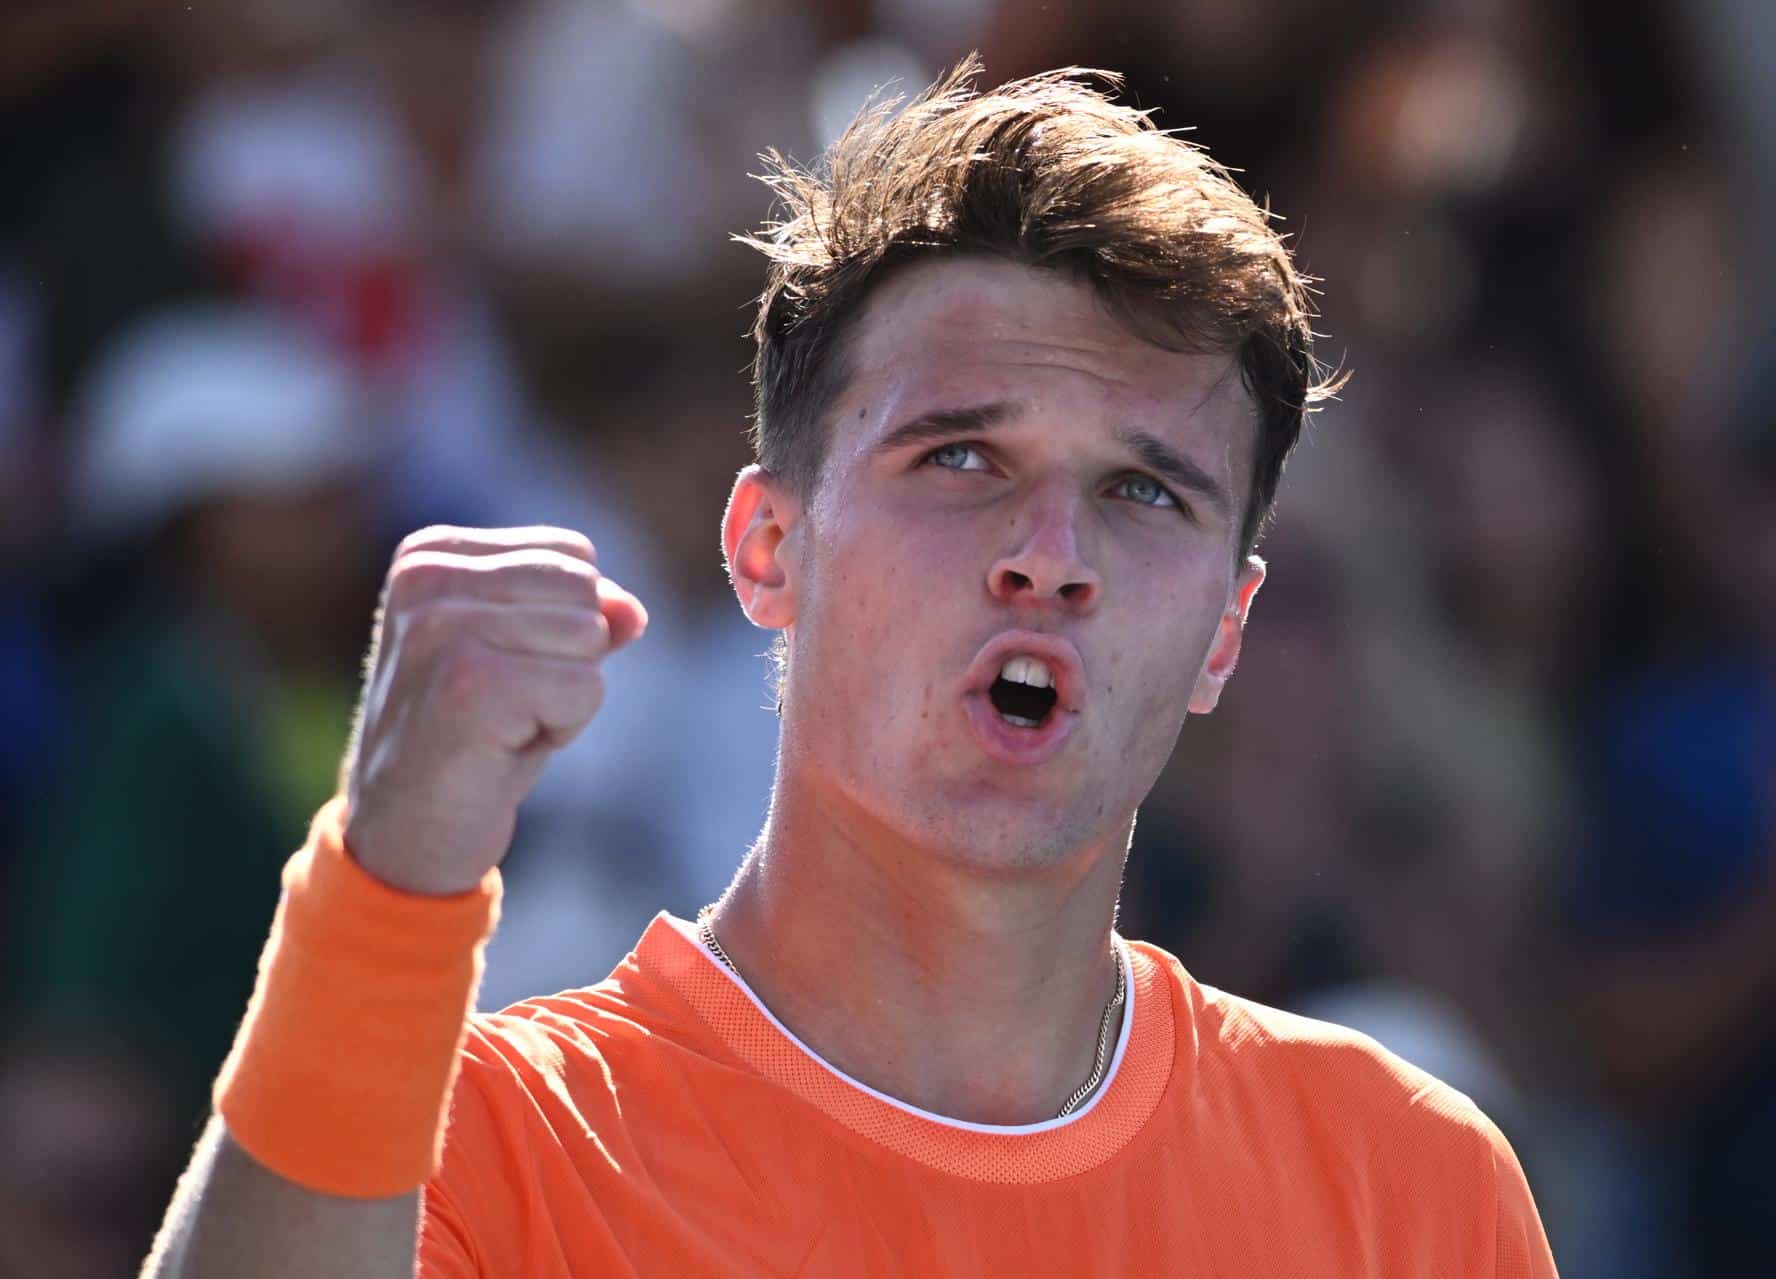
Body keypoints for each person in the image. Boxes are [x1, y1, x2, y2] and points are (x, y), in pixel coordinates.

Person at [143, 61, 1558, 1276]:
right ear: (767, 548)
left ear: (1225, 635)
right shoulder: (476, 1151)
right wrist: (388, 889)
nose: (1050, 554)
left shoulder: (1410, 1190)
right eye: (961, 456)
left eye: (1145, 494)